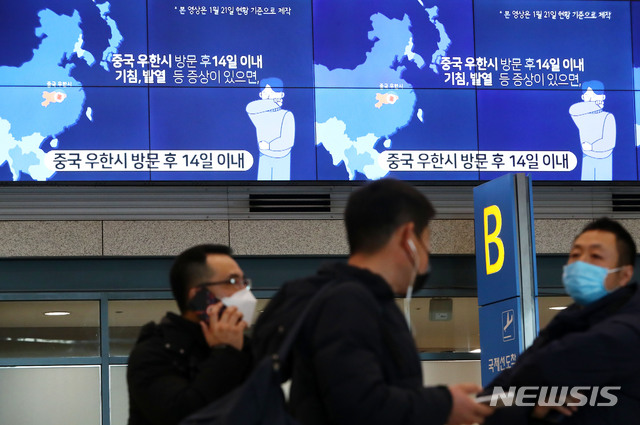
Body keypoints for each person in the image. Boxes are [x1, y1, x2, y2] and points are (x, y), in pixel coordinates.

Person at [252, 178, 494, 425]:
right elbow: (358, 407)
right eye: (426, 241)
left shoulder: (357, 300)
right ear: (407, 237)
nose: (427, 254)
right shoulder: (349, 303)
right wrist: (444, 405)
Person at [482, 217, 640, 424]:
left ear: (625, 274)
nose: (581, 262)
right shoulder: (563, 325)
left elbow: (543, 366)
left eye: (596, 256)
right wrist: (533, 408)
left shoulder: (629, 326)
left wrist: (521, 394)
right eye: (575, 254)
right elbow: (486, 403)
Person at [127, 244, 255, 425]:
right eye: (232, 282)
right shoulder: (155, 352)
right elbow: (183, 415)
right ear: (198, 295)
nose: (244, 292)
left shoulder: (247, 349)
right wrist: (225, 352)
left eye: (244, 283)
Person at [246, 77, 295, 180]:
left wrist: (269, 145)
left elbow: (288, 141)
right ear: (260, 95)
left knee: (282, 192)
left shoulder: (286, 114)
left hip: (282, 157)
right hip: (264, 156)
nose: (269, 96)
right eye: (266, 93)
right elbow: (250, 107)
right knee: (261, 191)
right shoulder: (259, 115)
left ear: (282, 95)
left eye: (273, 93)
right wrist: (272, 103)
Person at [569, 80, 616, 181]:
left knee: (604, 189)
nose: (591, 99)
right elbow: (573, 109)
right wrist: (594, 105)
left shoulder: (608, 116)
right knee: (584, 189)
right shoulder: (582, 116)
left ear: (603, 97)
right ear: (583, 98)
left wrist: (592, 147)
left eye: (595, 95)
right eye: (587, 96)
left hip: (604, 158)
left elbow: (609, 142)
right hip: (587, 157)